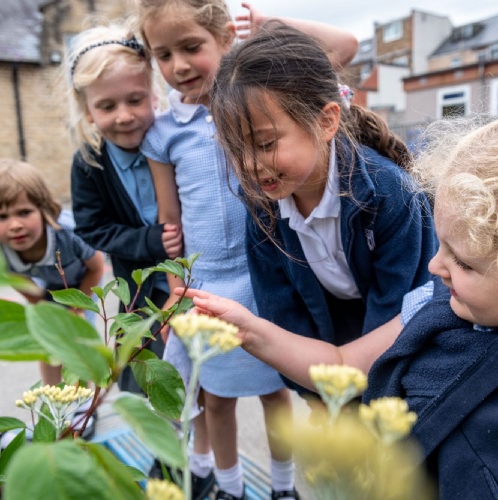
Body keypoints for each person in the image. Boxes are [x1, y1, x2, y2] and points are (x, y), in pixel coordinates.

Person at [178, 116, 498, 499]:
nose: (434, 266)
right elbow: (344, 364)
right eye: (440, 245)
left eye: (462, 263)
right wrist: (250, 331)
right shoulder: (431, 301)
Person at [131, 1, 359, 499]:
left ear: (224, 40)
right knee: (217, 399)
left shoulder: (255, 104)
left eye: (192, 48)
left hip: (266, 276)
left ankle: (282, 488)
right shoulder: (163, 134)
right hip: (207, 283)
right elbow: (170, 219)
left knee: (275, 393)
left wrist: (261, 26)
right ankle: (230, 489)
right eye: (163, 55)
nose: (179, 66)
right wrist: (175, 288)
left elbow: (343, 47)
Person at [208, 21, 436, 394]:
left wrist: (364, 399)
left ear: (326, 121)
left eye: (264, 144)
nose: (248, 164)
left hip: (402, 341)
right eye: (234, 149)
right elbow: (283, 319)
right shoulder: (263, 209)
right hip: (335, 333)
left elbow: (401, 314)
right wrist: (315, 394)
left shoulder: (388, 194)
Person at [66, 21, 182, 393]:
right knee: (147, 376)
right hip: (141, 289)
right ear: (87, 110)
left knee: (197, 373)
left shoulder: (176, 142)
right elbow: (92, 228)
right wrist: (150, 241)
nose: (124, 116)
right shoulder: (89, 163)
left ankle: (202, 447)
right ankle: (162, 446)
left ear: (153, 94)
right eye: (106, 106)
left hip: (192, 279)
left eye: (134, 100)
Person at [0, 159, 105, 387]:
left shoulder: (67, 235)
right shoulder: (2, 249)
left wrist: (77, 308)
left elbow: (96, 266)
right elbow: (15, 278)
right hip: (46, 286)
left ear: (44, 209)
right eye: (2, 217)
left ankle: (81, 402)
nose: (14, 225)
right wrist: (38, 304)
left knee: (77, 341)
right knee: (47, 341)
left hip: (83, 283)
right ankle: (52, 394)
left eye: (24, 212)